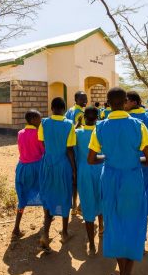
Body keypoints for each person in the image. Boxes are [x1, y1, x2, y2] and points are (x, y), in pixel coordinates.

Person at [88, 87, 148, 275]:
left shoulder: (100, 127)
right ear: (126, 101)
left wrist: (108, 159)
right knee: (135, 223)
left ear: (108, 103)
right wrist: (134, 160)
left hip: (109, 179)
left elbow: (91, 159)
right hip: (132, 179)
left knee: (114, 222)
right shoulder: (138, 126)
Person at [38, 97, 77, 252]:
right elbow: (69, 149)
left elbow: (42, 141)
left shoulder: (44, 123)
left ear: (52, 108)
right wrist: (74, 169)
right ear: (63, 108)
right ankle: (65, 233)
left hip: (47, 163)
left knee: (48, 195)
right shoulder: (69, 124)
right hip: (63, 165)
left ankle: (45, 234)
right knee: (64, 196)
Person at [125, 91, 148, 220]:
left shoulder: (126, 120)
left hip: (131, 161)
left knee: (133, 192)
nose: (124, 103)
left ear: (134, 102)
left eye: (126, 100)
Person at [75, 106, 104, 256]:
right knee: (101, 198)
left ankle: (91, 245)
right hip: (100, 169)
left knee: (87, 203)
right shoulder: (101, 131)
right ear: (98, 117)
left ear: (84, 117)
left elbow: (74, 154)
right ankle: (102, 227)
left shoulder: (77, 133)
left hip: (84, 171)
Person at [12, 110, 44, 239]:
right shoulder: (38, 134)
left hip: (22, 168)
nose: (40, 121)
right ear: (32, 120)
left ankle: (16, 228)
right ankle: (47, 220)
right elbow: (43, 151)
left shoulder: (20, 133)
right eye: (38, 119)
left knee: (22, 199)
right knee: (44, 193)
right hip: (36, 168)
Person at [65, 91, 87, 215]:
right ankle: (81, 206)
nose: (85, 101)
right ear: (76, 99)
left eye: (86, 98)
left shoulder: (70, 110)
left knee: (74, 178)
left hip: (69, 146)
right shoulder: (80, 113)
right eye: (82, 98)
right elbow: (81, 129)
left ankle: (74, 205)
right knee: (80, 176)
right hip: (78, 146)